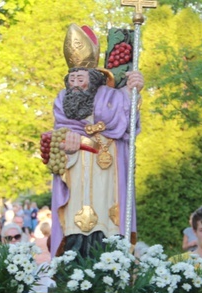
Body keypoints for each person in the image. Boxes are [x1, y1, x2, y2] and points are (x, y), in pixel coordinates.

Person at [49, 24, 143, 257]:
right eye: (72, 78)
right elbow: (57, 139)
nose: (76, 83)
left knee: (107, 222)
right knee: (76, 224)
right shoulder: (62, 102)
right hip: (77, 175)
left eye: (80, 78)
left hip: (109, 173)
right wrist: (64, 145)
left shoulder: (113, 96)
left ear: (92, 78)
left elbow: (129, 121)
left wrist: (135, 89)